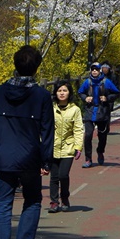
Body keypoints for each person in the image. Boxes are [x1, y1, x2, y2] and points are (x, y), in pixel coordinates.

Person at [0, 45, 54, 239]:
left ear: (15, 65)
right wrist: (46, 160)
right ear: (36, 68)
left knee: (3, 204)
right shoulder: (42, 95)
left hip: (4, 156)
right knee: (33, 200)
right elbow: (47, 131)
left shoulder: (0, 91)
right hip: (30, 157)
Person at [48, 80, 83, 213]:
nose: (62, 93)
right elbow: (45, 128)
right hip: (53, 147)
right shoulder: (51, 109)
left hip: (68, 148)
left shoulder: (75, 110)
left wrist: (78, 146)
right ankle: (54, 202)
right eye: (59, 91)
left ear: (69, 93)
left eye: (64, 90)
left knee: (63, 175)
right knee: (54, 176)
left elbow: (78, 129)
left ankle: (65, 198)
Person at [78, 62, 119, 167]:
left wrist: (107, 98)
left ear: (100, 70)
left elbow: (116, 93)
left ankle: (100, 151)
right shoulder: (87, 82)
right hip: (89, 111)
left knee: (102, 135)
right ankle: (88, 159)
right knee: (87, 135)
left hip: (102, 112)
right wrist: (85, 98)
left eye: (96, 69)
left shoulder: (106, 82)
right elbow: (80, 92)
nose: (94, 71)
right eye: (93, 69)